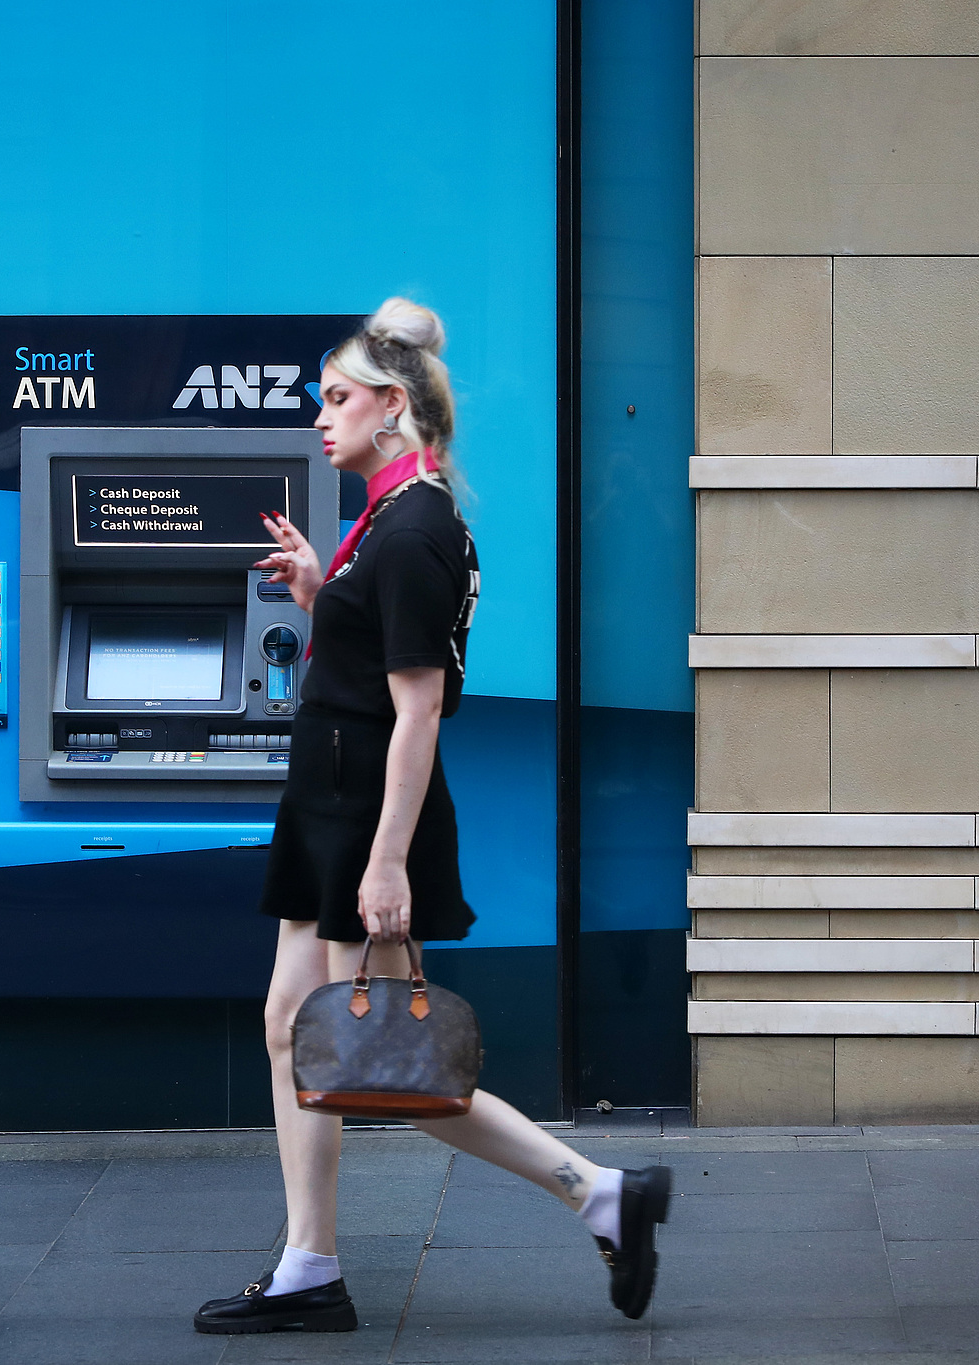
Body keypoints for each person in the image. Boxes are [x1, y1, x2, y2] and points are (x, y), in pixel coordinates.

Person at [194, 298, 671, 1335]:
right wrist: (324, 590)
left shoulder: (413, 531)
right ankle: (305, 1265)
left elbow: (415, 714)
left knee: (392, 1067)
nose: (320, 419)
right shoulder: (386, 519)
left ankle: (598, 1192)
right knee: (292, 1031)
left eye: (337, 399)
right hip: (327, 797)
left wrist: (386, 864)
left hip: (365, 808)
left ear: (392, 406)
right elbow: (375, 668)